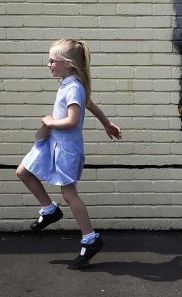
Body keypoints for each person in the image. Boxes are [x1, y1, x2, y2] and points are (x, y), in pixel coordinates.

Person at [16, 39, 122, 267]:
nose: (49, 65)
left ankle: (90, 238)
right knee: (23, 172)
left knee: (69, 194)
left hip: (66, 148)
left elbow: (73, 121)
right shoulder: (69, 83)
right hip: (53, 143)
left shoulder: (73, 86)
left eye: (52, 61)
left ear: (69, 64)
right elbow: (91, 104)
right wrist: (107, 124)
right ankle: (49, 210)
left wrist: (50, 121)